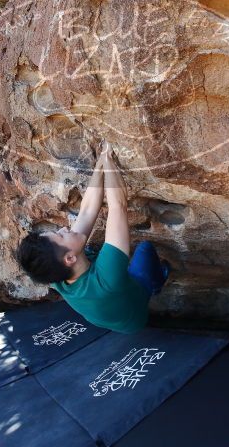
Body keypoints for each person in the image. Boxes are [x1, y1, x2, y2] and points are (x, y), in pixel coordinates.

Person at [16, 141, 170, 334]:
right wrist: (108, 158)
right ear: (70, 258)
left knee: (101, 253)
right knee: (145, 249)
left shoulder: (56, 273)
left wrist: (99, 166)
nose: (64, 228)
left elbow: (88, 210)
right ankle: (155, 283)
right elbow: (118, 205)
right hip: (134, 319)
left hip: (108, 314)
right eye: (60, 235)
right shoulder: (105, 281)